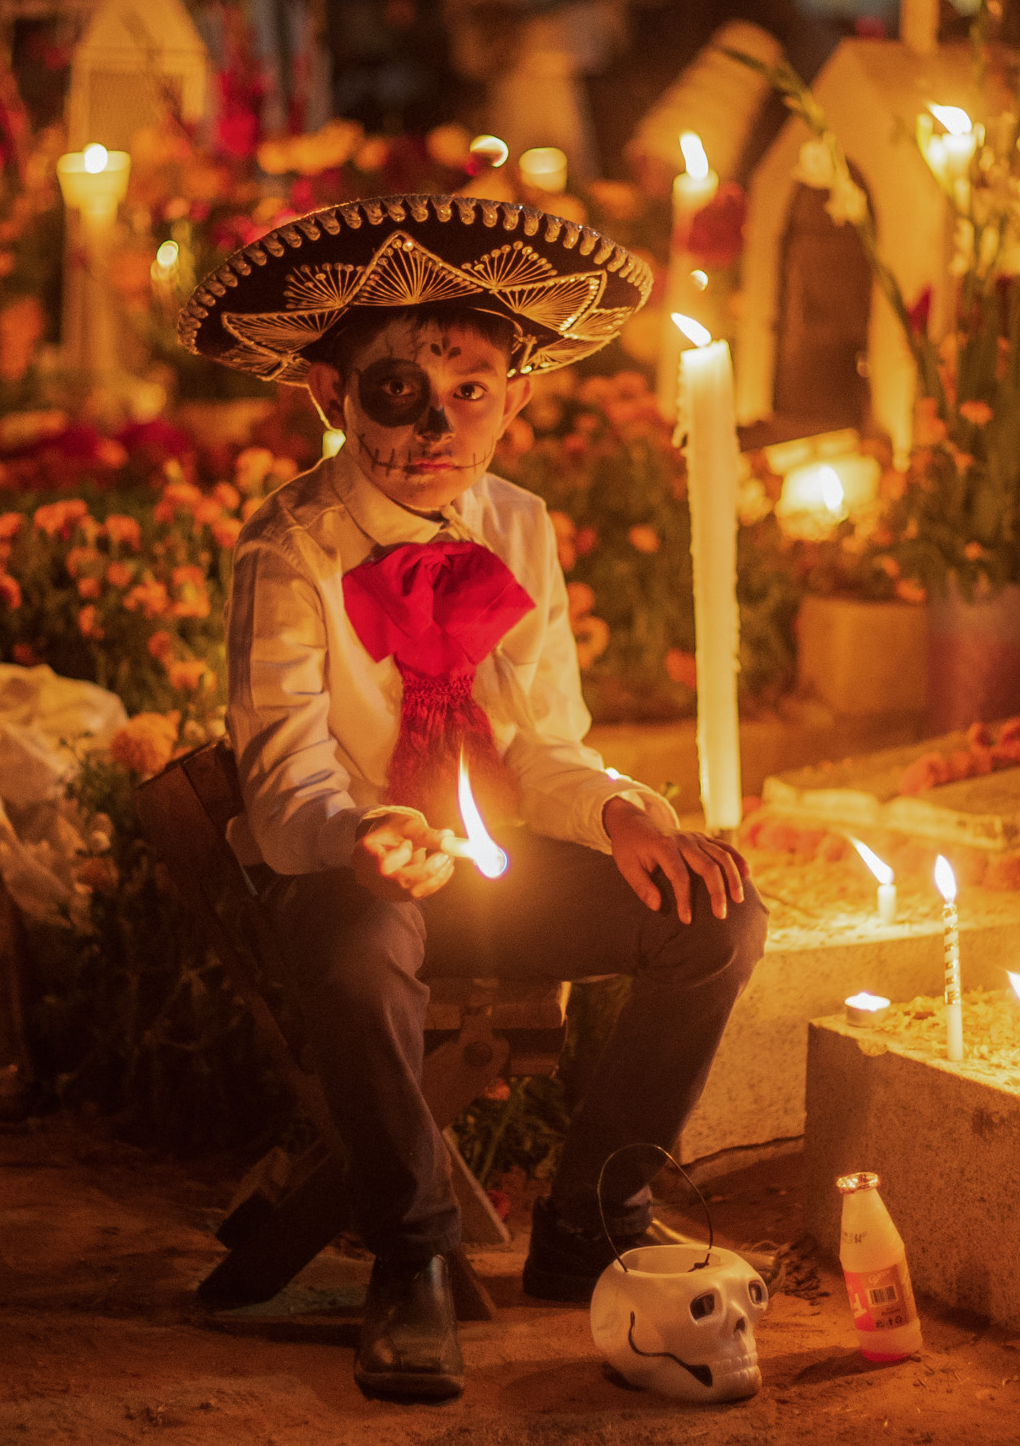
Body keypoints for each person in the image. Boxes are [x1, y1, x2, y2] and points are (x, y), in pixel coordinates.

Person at [176, 199, 765, 1401]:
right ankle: (413, 1255)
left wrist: (617, 812)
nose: (434, 426)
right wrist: (364, 834)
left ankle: (593, 1215)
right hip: (352, 872)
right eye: (398, 391)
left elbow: (546, 745)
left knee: (716, 914)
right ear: (333, 395)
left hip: (493, 873)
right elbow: (284, 770)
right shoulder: (287, 549)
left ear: (516, 401)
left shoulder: (521, 526)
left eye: (471, 391)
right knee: (356, 955)